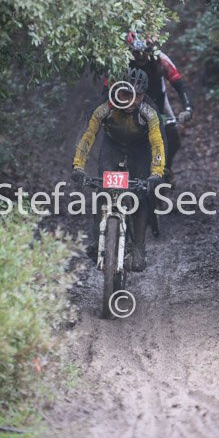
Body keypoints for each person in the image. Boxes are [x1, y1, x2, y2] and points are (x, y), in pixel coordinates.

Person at [71, 68, 166, 272]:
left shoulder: (149, 111)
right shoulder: (105, 107)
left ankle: (139, 247)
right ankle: (97, 241)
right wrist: (78, 166)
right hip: (112, 147)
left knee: (140, 194)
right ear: (117, 90)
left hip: (140, 149)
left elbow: (157, 143)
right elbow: (88, 135)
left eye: (138, 96)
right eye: (126, 94)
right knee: (104, 191)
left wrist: (156, 173)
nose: (132, 101)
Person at [126, 29, 193, 178]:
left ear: (151, 50)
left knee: (173, 136)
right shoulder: (122, 61)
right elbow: (107, 89)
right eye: (136, 53)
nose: (141, 56)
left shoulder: (161, 60)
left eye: (145, 52)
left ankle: (166, 168)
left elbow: (180, 85)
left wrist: (187, 109)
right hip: (128, 105)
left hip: (158, 102)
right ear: (130, 51)